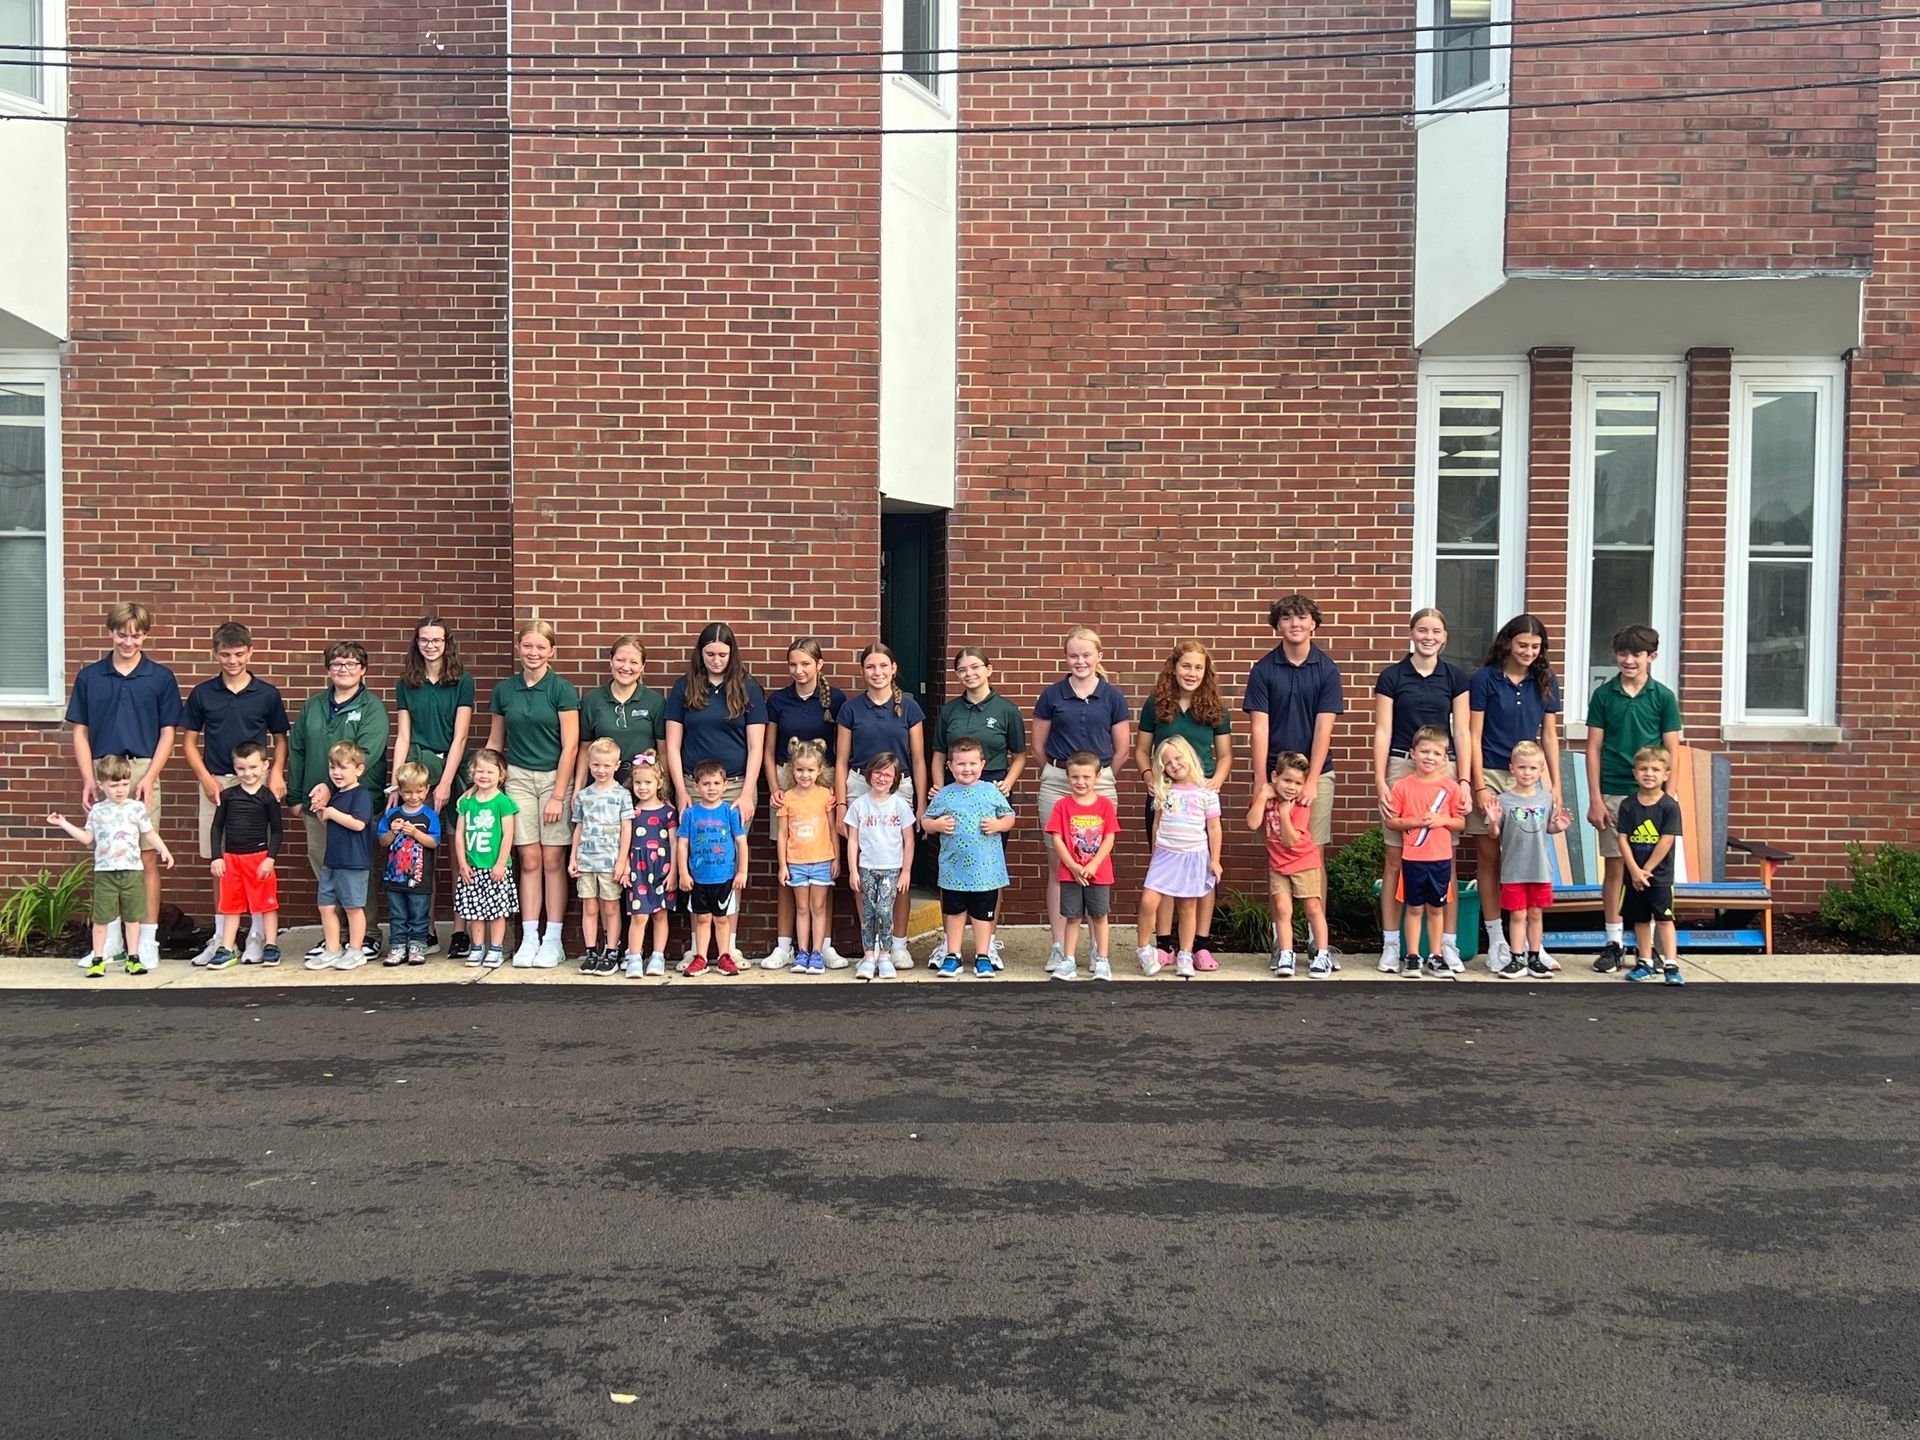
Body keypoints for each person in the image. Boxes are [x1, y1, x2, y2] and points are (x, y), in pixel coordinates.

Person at [64, 601, 183, 971]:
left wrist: (150, 776)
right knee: (107, 856)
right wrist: (88, 777)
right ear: (110, 632)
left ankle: (146, 940)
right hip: (103, 768)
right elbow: (80, 731)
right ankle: (111, 942)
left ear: (145, 635)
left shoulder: (160, 677)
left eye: (136, 634)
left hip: (143, 768)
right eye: (121, 633)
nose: (128, 641)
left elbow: (168, 733)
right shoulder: (90, 676)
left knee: (145, 855)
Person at [182, 622, 290, 966]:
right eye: (225, 654)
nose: (232, 661)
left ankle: (257, 936)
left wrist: (275, 774)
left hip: (257, 783)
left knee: (257, 862)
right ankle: (221, 939)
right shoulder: (203, 693)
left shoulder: (266, 693)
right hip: (218, 783)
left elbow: (280, 738)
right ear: (215, 654)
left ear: (251, 652)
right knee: (221, 863)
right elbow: (188, 741)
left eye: (239, 654)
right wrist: (206, 779)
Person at [1372, 609, 1471, 973]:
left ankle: (1445, 945)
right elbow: (1383, 730)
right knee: (1396, 860)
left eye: (1436, 631)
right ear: (1412, 633)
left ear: (1445, 637)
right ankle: (1392, 943)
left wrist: (1464, 779)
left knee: (1446, 863)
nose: (1429, 636)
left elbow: (1462, 732)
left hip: (1443, 770)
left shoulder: (1456, 678)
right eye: (1422, 629)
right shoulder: (1393, 676)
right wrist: (1382, 780)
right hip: (1401, 766)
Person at [663, 623, 767, 967]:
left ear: (732, 653)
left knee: (727, 864)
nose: (717, 660)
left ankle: (728, 948)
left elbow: (756, 746)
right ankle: (698, 950)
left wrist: (749, 791)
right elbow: (673, 746)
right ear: (700, 653)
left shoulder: (748, 688)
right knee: (698, 863)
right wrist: (680, 791)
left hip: (735, 787)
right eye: (710, 654)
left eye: (723, 654)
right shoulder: (685, 688)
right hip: (693, 788)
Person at [1467, 615, 1564, 972]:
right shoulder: (1484, 680)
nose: (1528, 652)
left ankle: (1533, 948)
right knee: (1491, 859)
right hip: (1492, 772)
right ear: (1508, 643)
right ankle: (1498, 941)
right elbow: (1472, 735)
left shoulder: (1546, 679)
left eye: (1535, 647)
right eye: (1522, 645)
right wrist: (1478, 784)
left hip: (1530, 775)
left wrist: (1554, 785)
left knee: (1531, 856)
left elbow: (1550, 736)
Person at [1583, 624, 1682, 972]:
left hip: (1653, 796)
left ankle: (1649, 946)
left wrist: (1668, 797)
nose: (1628, 660)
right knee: (1615, 867)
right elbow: (1593, 747)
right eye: (1623, 653)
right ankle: (1613, 942)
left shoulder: (1663, 696)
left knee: (1649, 870)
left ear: (1651, 657)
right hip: (1613, 790)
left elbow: (1672, 747)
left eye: (1636, 654)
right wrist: (1595, 798)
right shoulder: (1604, 695)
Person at [1031, 628, 1129, 974]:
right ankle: (1060, 947)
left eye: (1087, 655)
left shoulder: (1112, 697)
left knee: (1095, 862)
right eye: (1074, 655)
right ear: (1066, 658)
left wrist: (1097, 778)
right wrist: (1060, 775)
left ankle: (1095, 948)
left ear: (1099, 656)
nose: (1080, 661)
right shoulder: (1052, 695)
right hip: (1059, 781)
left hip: (1100, 782)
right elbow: (1038, 747)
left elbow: (1121, 749)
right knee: (1061, 865)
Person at [485, 619, 581, 969]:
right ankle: (529, 936)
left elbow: (571, 747)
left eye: (541, 647)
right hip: (519, 780)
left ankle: (553, 939)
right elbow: (496, 742)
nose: (534, 653)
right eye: (528, 646)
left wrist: (559, 795)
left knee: (553, 860)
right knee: (528, 861)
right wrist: (485, 782)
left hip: (555, 777)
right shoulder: (505, 690)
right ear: (519, 648)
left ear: (551, 651)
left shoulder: (562, 689)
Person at [287, 641, 390, 964]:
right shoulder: (313, 706)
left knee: (358, 870)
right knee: (325, 867)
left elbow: (367, 754)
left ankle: (367, 935)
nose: (343, 669)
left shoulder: (372, 708)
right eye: (336, 664)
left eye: (350, 664)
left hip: (357, 804)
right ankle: (336, 937)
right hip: (315, 804)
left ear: (363, 670)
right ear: (328, 669)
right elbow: (298, 750)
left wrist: (331, 788)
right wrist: (296, 795)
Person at [927, 647, 1027, 972]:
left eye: (975, 667)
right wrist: (938, 787)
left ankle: (988, 944)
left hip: (992, 790)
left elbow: (1020, 755)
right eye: (962, 669)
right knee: (952, 872)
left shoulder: (1006, 710)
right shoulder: (950, 711)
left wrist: (1008, 784)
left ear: (989, 669)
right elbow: (940, 753)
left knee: (988, 871)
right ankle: (951, 946)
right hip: (954, 793)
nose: (969, 674)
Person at [1132, 640, 1231, 967]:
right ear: (1174, 668)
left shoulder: (1215, 706)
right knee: (1165, 871)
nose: (1191, 673)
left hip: (1200, 798)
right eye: (1185, 666)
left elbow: (1226, 755)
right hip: (1166, 797)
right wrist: (1149, 778)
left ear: (1206, 672)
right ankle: (1164, 944)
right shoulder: (1156, 704)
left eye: (1198, 667)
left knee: (1202, 871)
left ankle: (1199, 944)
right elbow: (1142, 750)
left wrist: (1216, 780)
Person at [1243, 595, 1344, 904]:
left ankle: (1318, 941)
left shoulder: (1327, 670)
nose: (1295, 623)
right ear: (1278, 625)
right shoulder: (1263, 670)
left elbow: (1324, 729)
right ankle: (1281, 940)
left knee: (1313, 853)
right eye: (1286, 618)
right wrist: (1263, 782)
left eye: (1301, 617)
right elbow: (1259, 729)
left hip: (1316, 774)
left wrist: (1312, 780)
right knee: (1277, 852)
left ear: (1313, 623)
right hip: (1276, 774)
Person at [836, 642, 927, 971]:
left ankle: (897, 943)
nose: (877, 673)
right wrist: (840, 805)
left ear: (893, 669)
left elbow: (918, 759)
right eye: (870, 667)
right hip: (861, 786)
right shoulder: (851, 709)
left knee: (897, 866)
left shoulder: (910, 708)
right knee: (865, 868)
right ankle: (871, 943)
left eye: (882, 667)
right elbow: (842, 759)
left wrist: (919, 802)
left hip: (899, 788)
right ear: (863, 671)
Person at [758, 638, 849, 971]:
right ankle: (786, 945)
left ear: (819, 665)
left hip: (823, 781)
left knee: (824, 861)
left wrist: (837, 791)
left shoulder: (835, 699)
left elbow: (842, 750)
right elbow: (768, 750)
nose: (799, 671)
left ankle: (822, 947)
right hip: (787, 781)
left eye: (805, 664)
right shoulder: (779, 701)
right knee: (790, 865)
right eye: (793, 665)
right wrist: (773, 787)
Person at [47, 755, 175, 979]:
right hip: (106, 873)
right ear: (101, 785)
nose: (120, 790)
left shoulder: (136, 808)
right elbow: (88, 838)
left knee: (133, 916)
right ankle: (98, 958)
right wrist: (64, 823)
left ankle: (133, 958)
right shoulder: (97, 811)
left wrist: (163, 849)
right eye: (114, 785)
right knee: (102, 917)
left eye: (124, 784)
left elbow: (149, 833)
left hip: (132, 871)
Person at [392, 617, 475, 957]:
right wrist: (398, 781)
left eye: (436, 640)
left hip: (452, 771)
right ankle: (423, 930)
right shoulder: (406, 682)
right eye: (424, 640)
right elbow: (403, 735)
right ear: (417, 643)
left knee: (459, 851)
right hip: (419, 769)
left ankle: (459, 930)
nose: (430, 645)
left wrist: (443, 785)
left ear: (446, 642)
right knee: (421, 851)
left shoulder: (462, 681)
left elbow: (461, 736)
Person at [920, 736, 1018, 978]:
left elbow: (1010, 817)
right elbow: (925, 821)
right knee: (954, 912)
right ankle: (952, 955)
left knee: (983, 913)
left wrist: (998, 825)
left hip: (985, 870)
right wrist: (937, 825)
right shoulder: (944, 795)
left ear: (982, 764)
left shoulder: (991, 791)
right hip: (954, 869)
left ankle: (982, 955)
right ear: (950, 766)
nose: (967, 769)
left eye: (973, 764)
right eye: (961, 764)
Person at [1383, 727, 1471, 979]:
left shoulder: (1450, 788)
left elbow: (1460, 823)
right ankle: (1412, 956)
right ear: (1412, 754)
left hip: (1440, 860)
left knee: (1436, 909)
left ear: (1445, 758)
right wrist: (1416, 822)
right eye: (1424, 751)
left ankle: (1436, 955)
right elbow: (1393, 822)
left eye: (1436, 753)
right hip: (1413, 860)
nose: (1429, 757)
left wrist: (1441, 820)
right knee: (1414, 908)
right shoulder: (1402, 787)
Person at [1134, 737, 1223, 978]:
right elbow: (1156, 825)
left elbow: (1214, 829)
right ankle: (1144, 949)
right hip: (1165, 855)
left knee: (1187, 906)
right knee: (1148, 901)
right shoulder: (1164, 790)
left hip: (1194, 855)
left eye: (1177, 758)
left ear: (1189, 756)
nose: (1174, 765)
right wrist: (1154, 854)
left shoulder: (1207, 791)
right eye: (1167, 763)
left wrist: (1215, 860)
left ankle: (1185, 953)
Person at [1485, 741, 1567, 980]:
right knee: (1517, 914)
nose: (1527, 773)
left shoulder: (1546, 799)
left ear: (1541, 771)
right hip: (1513, 869)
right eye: (1522, 767)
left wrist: (1558, 827)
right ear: (1512, 768)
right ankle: (1516, 958)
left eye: (1533, 768)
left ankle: (1535, 957)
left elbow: (1549, 828)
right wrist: (1491, 821)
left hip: (1540, 868)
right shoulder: (1504, 800)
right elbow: (1494, 834)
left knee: (1535, 914)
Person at [203, 740, 284, 969]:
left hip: (259, 859)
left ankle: (270, 945)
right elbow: (217, 827)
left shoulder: (268, 798)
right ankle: (227, 949)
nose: (247, 773)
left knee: (266, 904)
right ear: (235, 768)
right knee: (230, 905)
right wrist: (216, 857)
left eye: (252, 767)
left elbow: (277, 831)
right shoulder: (228, 796)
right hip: (231, 860)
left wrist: (270, 858)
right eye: (241, 769)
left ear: (265, 765)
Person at [1248, 752, 1329, 979]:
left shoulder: (1300, 806)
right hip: (1278, 865)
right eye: (1287, 780)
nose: (1291, 787)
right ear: (1275, 777)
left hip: (1305, 863)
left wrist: (1284, 813)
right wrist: (1262, 798)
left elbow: (1290, 841)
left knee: (1313, 908)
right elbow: (1253, 822)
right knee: (1283, 910)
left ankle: (1322, 954)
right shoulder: (1267, 799)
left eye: (1297, 783)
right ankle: (1286, 953)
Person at [1043, 751, 1120, 982]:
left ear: (1097, 777)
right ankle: (1068, 960)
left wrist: (1094, 863)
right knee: (1073, 917)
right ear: (1068, 777)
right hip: (1071, 873)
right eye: (1075, 777)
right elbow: (1057, 839)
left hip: (1099, 873)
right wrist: (1073, 866)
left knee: (1099, 916)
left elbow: (1109, 838)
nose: (1081, 782)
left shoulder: (1105, 805)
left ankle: (1102, 960)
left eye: (1086, 777)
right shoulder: (1062, 806)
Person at [1614, 745, 1685, 986]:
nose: (1649, 773)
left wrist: (1647, 870)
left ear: (1666, 774)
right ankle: (1645, 962)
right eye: (1643, 768)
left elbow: (1667, 840)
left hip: (1660, 876)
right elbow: (1622, 838)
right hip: (1633, 876)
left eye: (1655, 769)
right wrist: (1634, 870)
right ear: (1635, 773)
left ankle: (1671, 964)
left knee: (1664, 919)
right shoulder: (1627, 805)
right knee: (1640, 919)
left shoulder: (1669, 806)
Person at [844, 752, 915, 981]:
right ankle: (868, 956)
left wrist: (906, 871)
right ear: (869, 774)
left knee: (885, 912)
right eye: (878, 773)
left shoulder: (900, 805)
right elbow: (853, 840)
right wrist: (853, 870)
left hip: (891, 868)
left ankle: (885, 955)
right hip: (867, 867)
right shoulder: (859, 806)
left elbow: (909, 840)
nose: (882, 778)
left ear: (895, 779)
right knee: (869, 913)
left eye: (887, 774)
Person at [304, 741, 374, 973]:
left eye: (343, 767)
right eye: (333, 768)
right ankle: (332, 949)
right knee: (326, 906)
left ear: (359, 770)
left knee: (353, 907)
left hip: (353, 861)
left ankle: (356, 949)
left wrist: (332, 813)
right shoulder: (334, 796)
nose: (337, 773)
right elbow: (334, 828)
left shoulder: (361, 794)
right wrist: (324, 814)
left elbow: (358, 824)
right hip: (332, 860)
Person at [568, 737, 636, 975]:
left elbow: (627, 828)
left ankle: (611, 951)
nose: (601, 770)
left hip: (610, 862)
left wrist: (622, 860)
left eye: (607, 765)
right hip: (586, 861)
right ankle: (591, 952)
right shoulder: (584, 796)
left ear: (617, 765)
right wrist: (573, 858)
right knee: (589, 906)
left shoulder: (622, 795)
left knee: (610, 908)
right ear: (589, 764)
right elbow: (579, 827)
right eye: (596, 765)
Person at [677, 759, 749, 977]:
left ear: (725, 785)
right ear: (697, 786)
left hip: (724, 876)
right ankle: (700, 957)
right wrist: (683, 872)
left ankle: (724, 956)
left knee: (721, 918)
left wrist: (742, 871)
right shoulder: (691, 813)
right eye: (706, 784)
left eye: (716, 783)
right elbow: (682, 844)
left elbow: (741, 842)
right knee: (702, 918)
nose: (711, 788)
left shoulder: (730, 811)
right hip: (699, 877)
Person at [777, 738, 840, 975]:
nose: (805, 775)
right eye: (800, 769)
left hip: (822, 859)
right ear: (792, 770)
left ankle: (817, 952)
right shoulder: (787, 798)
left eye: (810, 770)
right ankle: (801, 951)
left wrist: (836, 859)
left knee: (818, 906)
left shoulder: (825, 796)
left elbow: (833, 829)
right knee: (802, 907)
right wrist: (783, 865)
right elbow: (782, 834)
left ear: (819, 770)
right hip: (796, 862)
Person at [574, 635, 667, 789]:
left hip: (642, 786)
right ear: (611, 661)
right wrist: (578, 788)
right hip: (602, 785)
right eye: (620, 660)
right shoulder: (592, 700)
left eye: (634, 662)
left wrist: (665, 790)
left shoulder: (655, 702)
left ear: (643, 666)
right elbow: (585, 750)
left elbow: (663, 751)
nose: (626, 667)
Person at [454, 748, 519, 969]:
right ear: (472, 774)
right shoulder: (466, 802)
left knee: (496, 911)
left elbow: (508, 835)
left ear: (501, 775)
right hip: (472, 868)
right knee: (475, 912)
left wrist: (501, 863)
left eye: (490, 772)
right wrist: (462, 863)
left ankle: (496, 948)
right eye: (480, 771)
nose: (484, 776)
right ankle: (477, 946)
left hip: (495, 868)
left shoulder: (503, 802)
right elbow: (460, 835)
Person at [376, 762, 442, 968]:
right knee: (397, 914)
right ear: (400, 791)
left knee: (418, 913)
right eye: (408, 792)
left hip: (419, 877)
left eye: (419, 792)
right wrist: (392, 832)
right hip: (395, 876)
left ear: (427, 789)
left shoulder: (429, 815)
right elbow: (382, 842)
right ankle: (397, 946)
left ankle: (417, 945)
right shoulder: (392, 815)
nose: (414, 797)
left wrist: (416, 833)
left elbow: (434, 842)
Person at [621, 754, 678, 978]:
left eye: (648, 782)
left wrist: (674, 871)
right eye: (638, 783)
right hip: (638, 870)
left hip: (662, 870)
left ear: (659, 783)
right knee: (639, 915)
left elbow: (674, 843)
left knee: (660, 914)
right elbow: (623, 841)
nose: (642, 787)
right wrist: (625, 864)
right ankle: (634, 956)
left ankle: (658, 956)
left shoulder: (668, 812)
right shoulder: (630, 811)